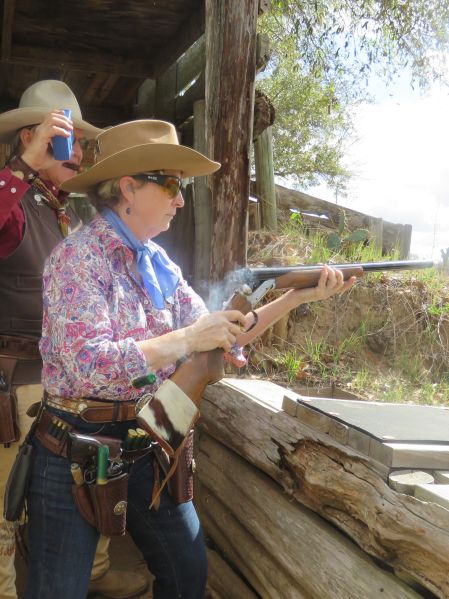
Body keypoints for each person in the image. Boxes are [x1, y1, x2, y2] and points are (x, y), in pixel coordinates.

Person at [24, 119, 356, 599]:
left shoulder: (159, 263)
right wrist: (186, 338)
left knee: (187, 574)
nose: (180, 200)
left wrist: (296, 297)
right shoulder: (76, 258)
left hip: (150, 435)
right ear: (128, 188)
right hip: (74, 447)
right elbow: (90, 364)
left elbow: (217, 334)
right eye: (172, 185)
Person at [0, 80, 148, 599]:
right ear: (30, 137)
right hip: (16, 383)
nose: (77, 152)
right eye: (65, 138)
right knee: (4, 508)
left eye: (80, 142)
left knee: (84, 486)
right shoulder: (13, 199)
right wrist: (22, 168)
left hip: (70, 384)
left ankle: (93, 574)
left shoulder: (62, 210)